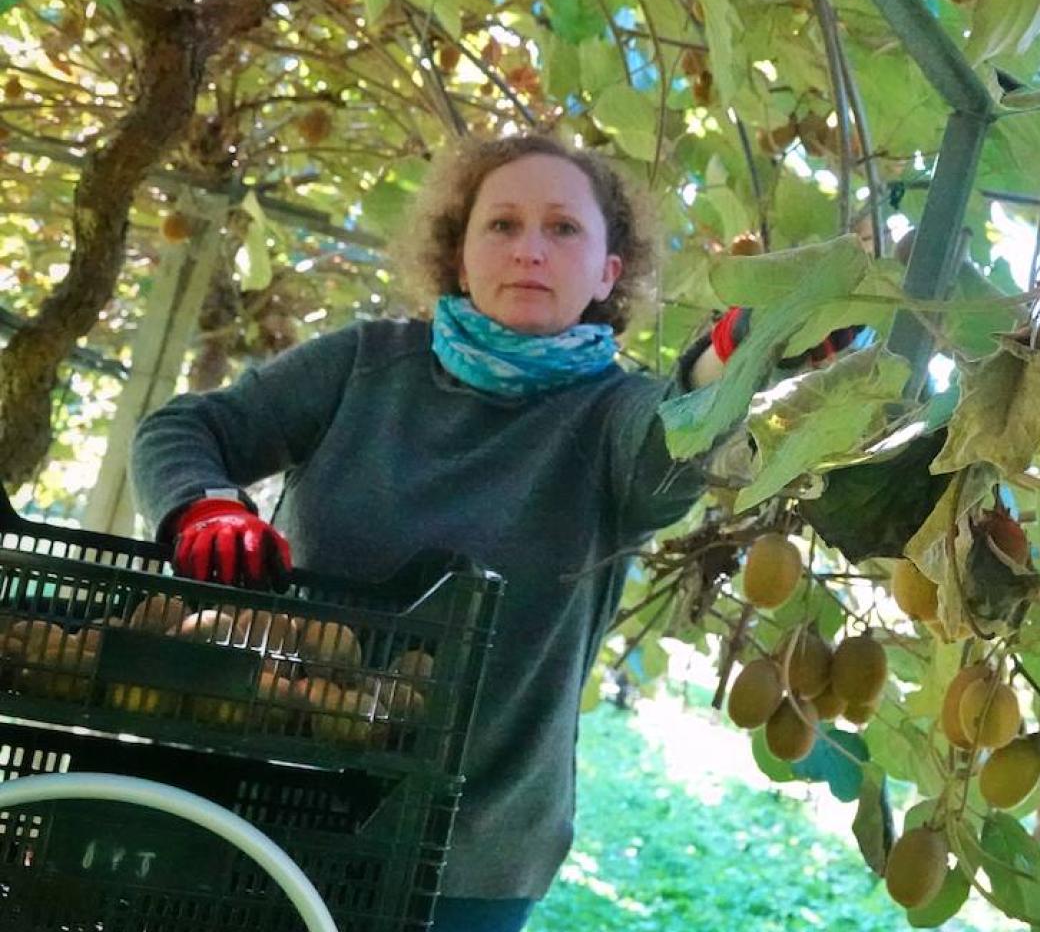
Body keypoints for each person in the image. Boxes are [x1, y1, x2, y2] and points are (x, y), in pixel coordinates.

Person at [130, 132, 851, 932]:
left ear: (609, 273)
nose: (530, 250)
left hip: (467, 858)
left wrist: (735, 355)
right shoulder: (365, 365)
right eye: (502, 225)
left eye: (564, 229)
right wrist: (204, 503)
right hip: (268, 801)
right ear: (459, 256)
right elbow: (187, 429)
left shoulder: (612, 416)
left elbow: (673, 435)